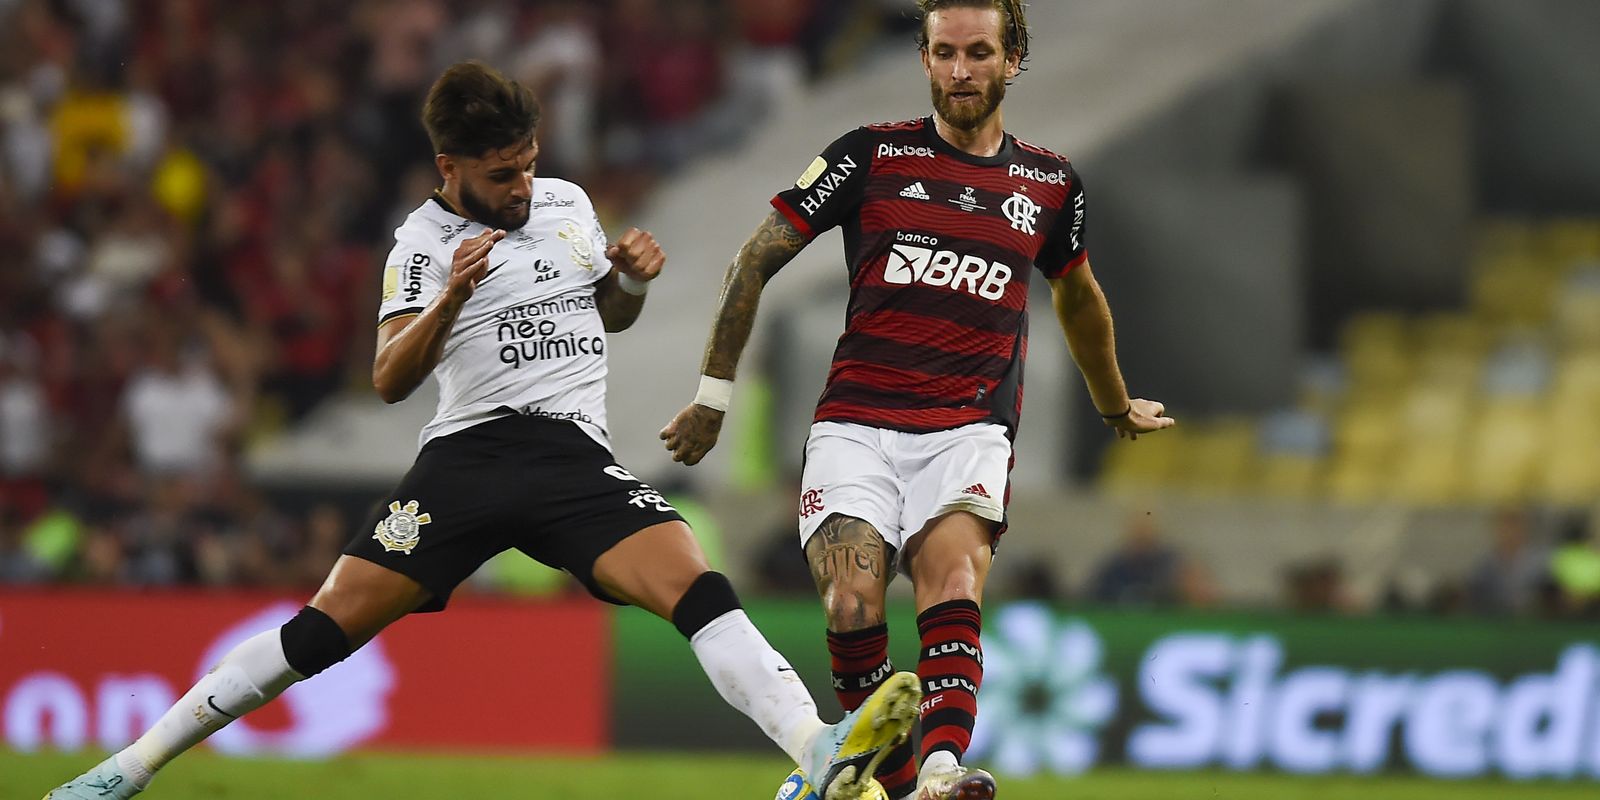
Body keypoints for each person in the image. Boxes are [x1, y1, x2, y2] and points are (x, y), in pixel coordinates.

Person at [47, 62, 918, 800]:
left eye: (528, 165)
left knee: (696, 584)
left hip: (572, 456)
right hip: (466, 460)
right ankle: (125, 770)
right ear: (448, 167)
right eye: (501, 176)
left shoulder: (568, 205)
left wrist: (631, 282)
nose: (521, 188)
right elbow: (389, 379)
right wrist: (453, 299)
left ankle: (818, 752)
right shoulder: (420, 248)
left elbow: (606, 317)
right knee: (319, 634)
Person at [660, 3, 1174, 799]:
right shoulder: (868, 155)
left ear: (1013, 59)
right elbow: (755, 257)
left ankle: (941, 768)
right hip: (856, 424)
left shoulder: (1048, 183)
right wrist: (712, 396)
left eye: (977, 52)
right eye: (943, 52)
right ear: (924, 58)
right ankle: (900, 787)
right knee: (851, 601)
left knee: (954, 581)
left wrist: (1113, 404)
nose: (959, 70)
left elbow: (1078, 297)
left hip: (968, 426)